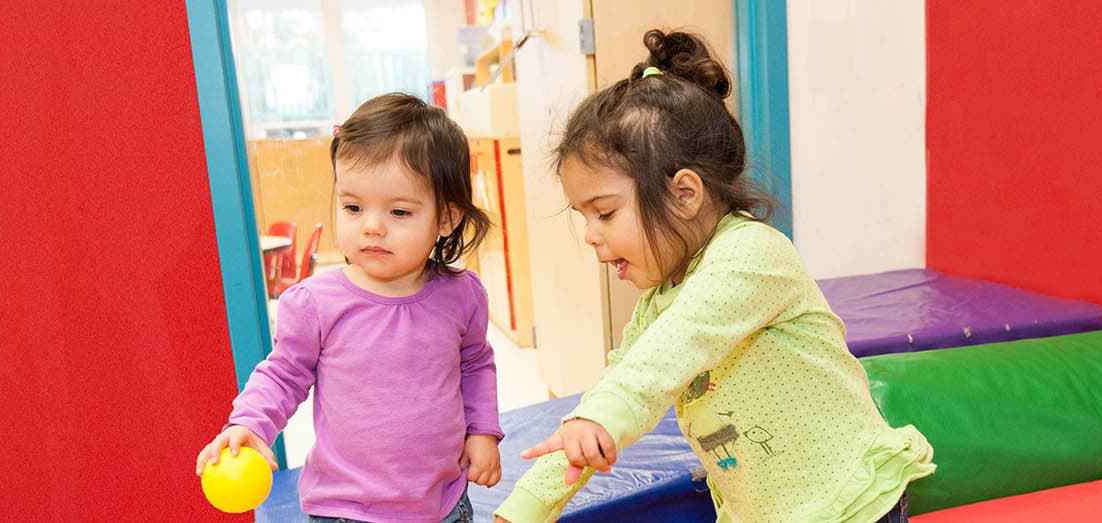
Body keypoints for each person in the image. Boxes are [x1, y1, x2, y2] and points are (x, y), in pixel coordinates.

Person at [493, 30, 935, 523]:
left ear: (685, 193)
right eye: (583, 217)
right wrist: (524, 509)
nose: (591, 236)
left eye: (605, 213)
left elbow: (667, 356)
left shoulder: (752, 254)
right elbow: (618, 386)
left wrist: (601, 416)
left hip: (847, 503)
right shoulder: (659, 301)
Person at [195, 93, 502, 523]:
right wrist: (250, 423)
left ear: (446, 219)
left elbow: (475, 365)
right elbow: (283, 375)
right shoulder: (315, 304)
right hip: (346, 510)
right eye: (353, 207)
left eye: (398, 211)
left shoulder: (462, 295)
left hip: (443, 502)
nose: (371, 226)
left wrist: (483, 430)